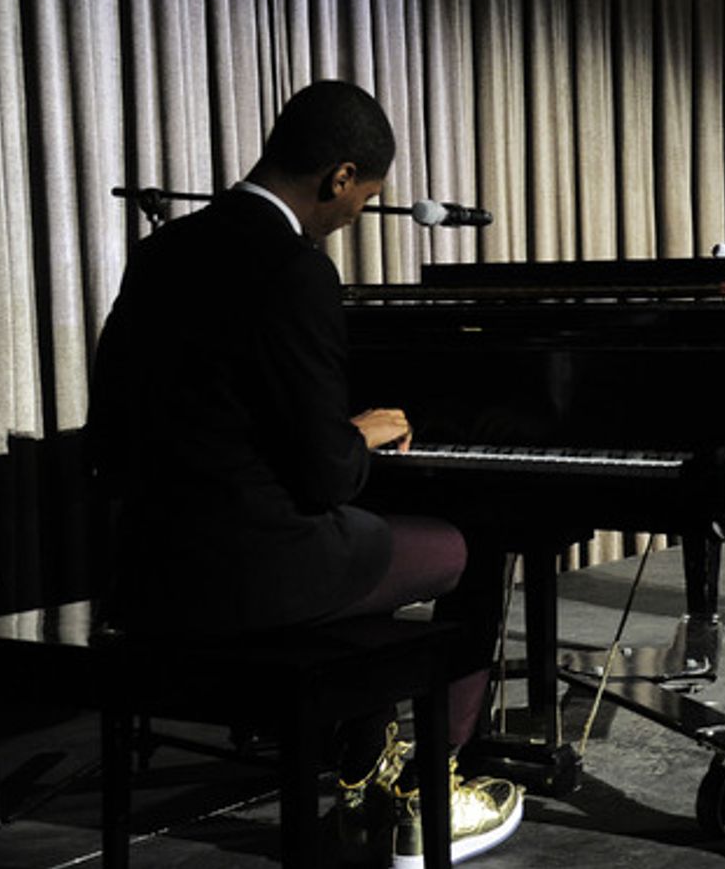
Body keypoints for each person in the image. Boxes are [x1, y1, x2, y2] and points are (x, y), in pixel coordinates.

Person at [88, 80, 521, 865]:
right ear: (340, 178)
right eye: (365, 197)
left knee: (366, 548)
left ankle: (364, 759)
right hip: (256, 569)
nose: (357, 215)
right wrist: (359, 435)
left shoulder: (160, 252)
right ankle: (431, 790)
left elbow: (112, 438)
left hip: (148, 569)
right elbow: (326, 477)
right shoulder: (294, 270)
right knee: (466, 543)